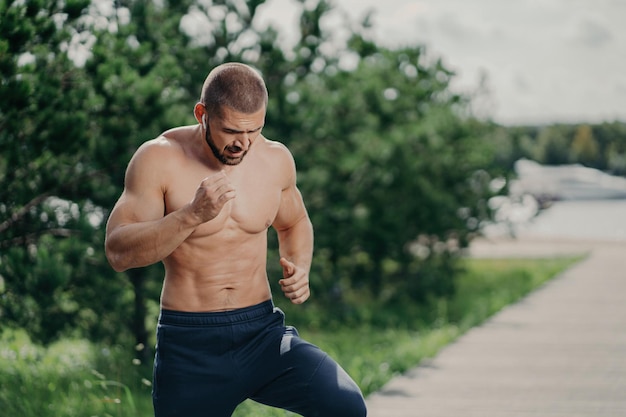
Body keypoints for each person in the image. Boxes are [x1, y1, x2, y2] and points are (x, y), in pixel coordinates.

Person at [104, 62, 367, 417]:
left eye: (254, 130)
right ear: (202, 114)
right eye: (230, 131)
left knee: (345, 406)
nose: (242, 144)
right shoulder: (159, 157)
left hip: (262, 334)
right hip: (190, 344)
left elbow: (295, 222)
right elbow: (118, 251)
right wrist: (190, 215)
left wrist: (300, 265)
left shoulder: (275, 159)